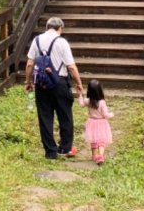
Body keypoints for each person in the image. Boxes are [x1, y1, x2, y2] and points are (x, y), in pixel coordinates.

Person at [24, 16, 84, 159]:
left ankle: (50, 151)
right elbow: (71, 66)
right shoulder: (61, 42)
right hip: (60, 83)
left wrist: (28, 82)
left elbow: (29, 64)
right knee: (65, 116)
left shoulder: (37, 40)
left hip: (41, 84)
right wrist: (79, 83)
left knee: (45, 117)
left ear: (47, 27)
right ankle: (65, 148)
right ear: (60, 29)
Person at [78, 78, 114, 164]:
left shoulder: (88, 101)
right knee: (101, 140)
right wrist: (111, 114)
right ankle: (100, 155)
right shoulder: (102, 102)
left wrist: (79, 94)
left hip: (91, 122)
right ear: (100, 90)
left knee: (93, 140)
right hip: (101, 123)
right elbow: (105, 114)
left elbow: (81, 104)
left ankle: (94, 155)